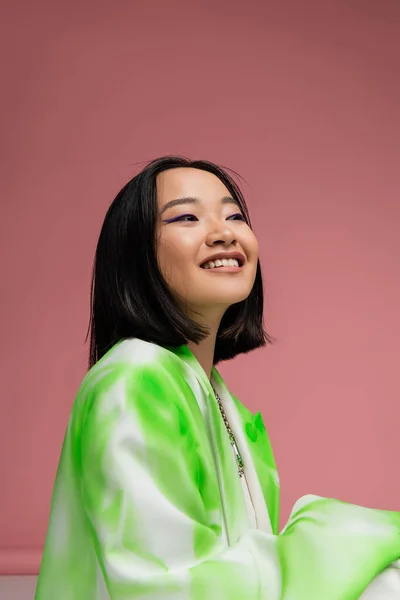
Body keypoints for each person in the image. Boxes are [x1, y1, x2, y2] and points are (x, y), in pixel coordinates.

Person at [35, 156, 400, 599]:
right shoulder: (134, 381)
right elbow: (162, 588)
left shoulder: (228, 408)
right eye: (187, 217)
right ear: (137, 254)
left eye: (235, 216)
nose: (225, 232)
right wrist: (338, 535)